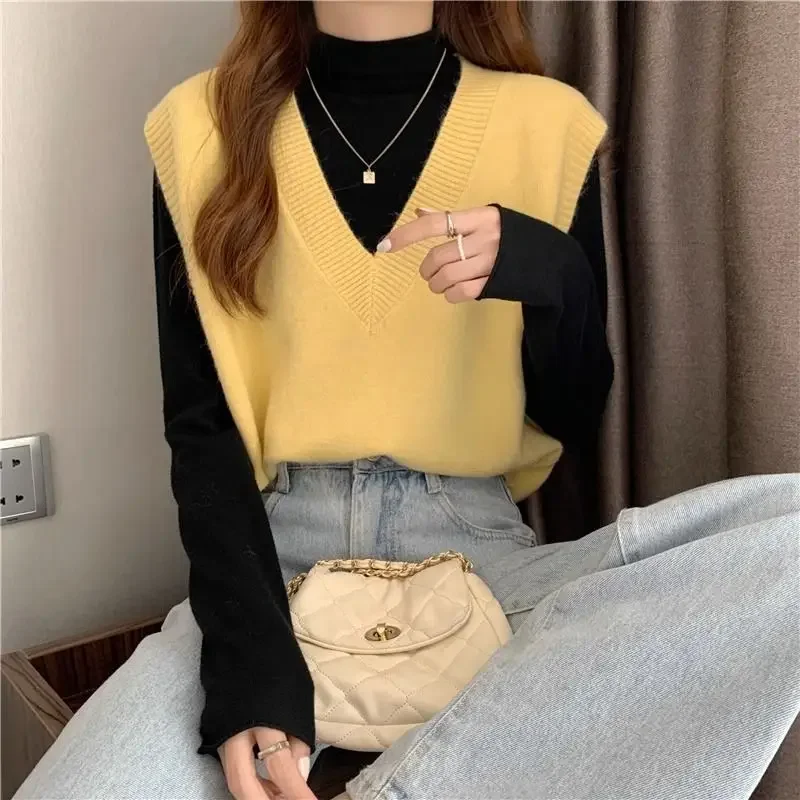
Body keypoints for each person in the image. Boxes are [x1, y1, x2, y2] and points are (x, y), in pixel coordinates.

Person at [16, 2, 799, 800]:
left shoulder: (547, 125)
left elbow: (573, 414)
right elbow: (200, 426)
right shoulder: (200, 127)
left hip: (481, 562)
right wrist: (250, 664)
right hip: (270, 567)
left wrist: (552, 271)